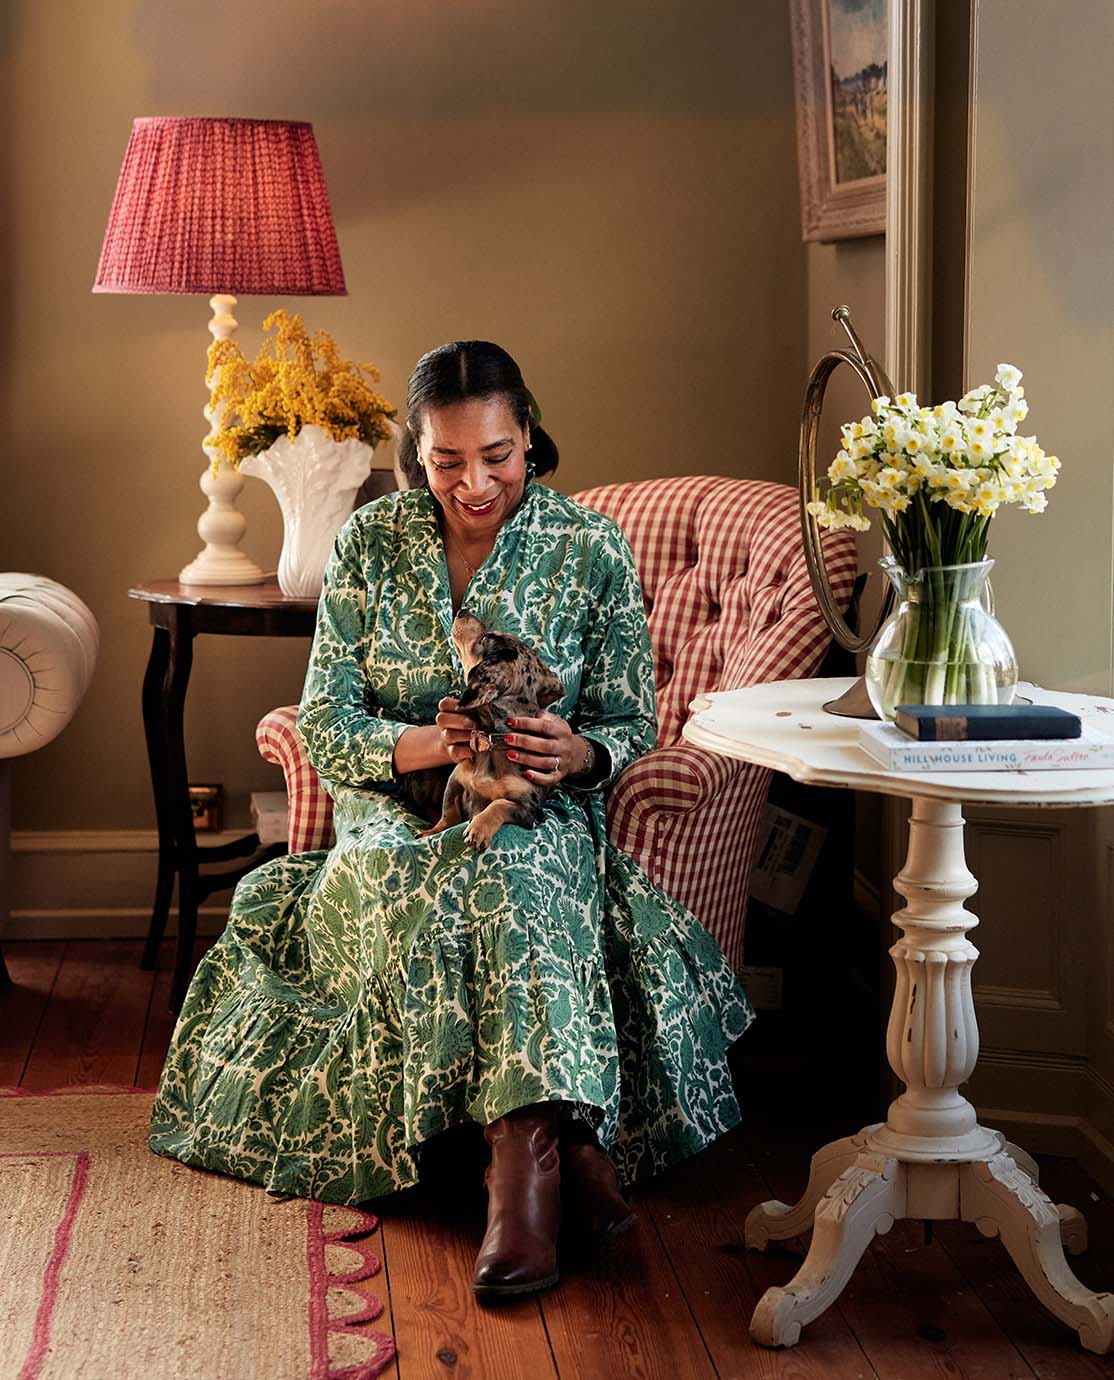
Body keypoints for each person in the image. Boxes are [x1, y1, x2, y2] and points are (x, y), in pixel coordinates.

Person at [149, 340, 755, 1299]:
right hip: (394, 802)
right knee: (405, 873)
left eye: (498, 456)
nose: (474, 483)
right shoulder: (369, 541)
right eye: (446, 461)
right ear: (413, 455)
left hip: (537, 806)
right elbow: (329, 721)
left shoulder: (589, 546)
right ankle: (568, 1155)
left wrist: (581, 753)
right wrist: (433, 746)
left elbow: (634, 723)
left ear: (530, 438)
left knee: (515, 876)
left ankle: (521, 1178)